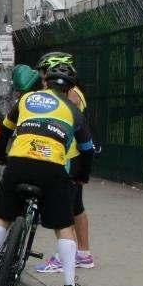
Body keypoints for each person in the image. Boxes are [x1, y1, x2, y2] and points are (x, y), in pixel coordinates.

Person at [0, 61, 94, 286]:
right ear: (70, 88)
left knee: (2, 217)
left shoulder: (26, 101)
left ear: (45, 82)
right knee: (63, 227)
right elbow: (87, 149)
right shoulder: (73, 110)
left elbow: (5, 131)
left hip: (19, 163)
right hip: (52, 169)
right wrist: (82, 175)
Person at [31, 52, 96, 273]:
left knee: (65, 207)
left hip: (68, 157)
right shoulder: (74, 91)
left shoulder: (71, 96)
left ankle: (62, 256)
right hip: (74, 156)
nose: (42, 79)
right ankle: (84, 254)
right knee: (77, 207)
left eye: (44, 74)